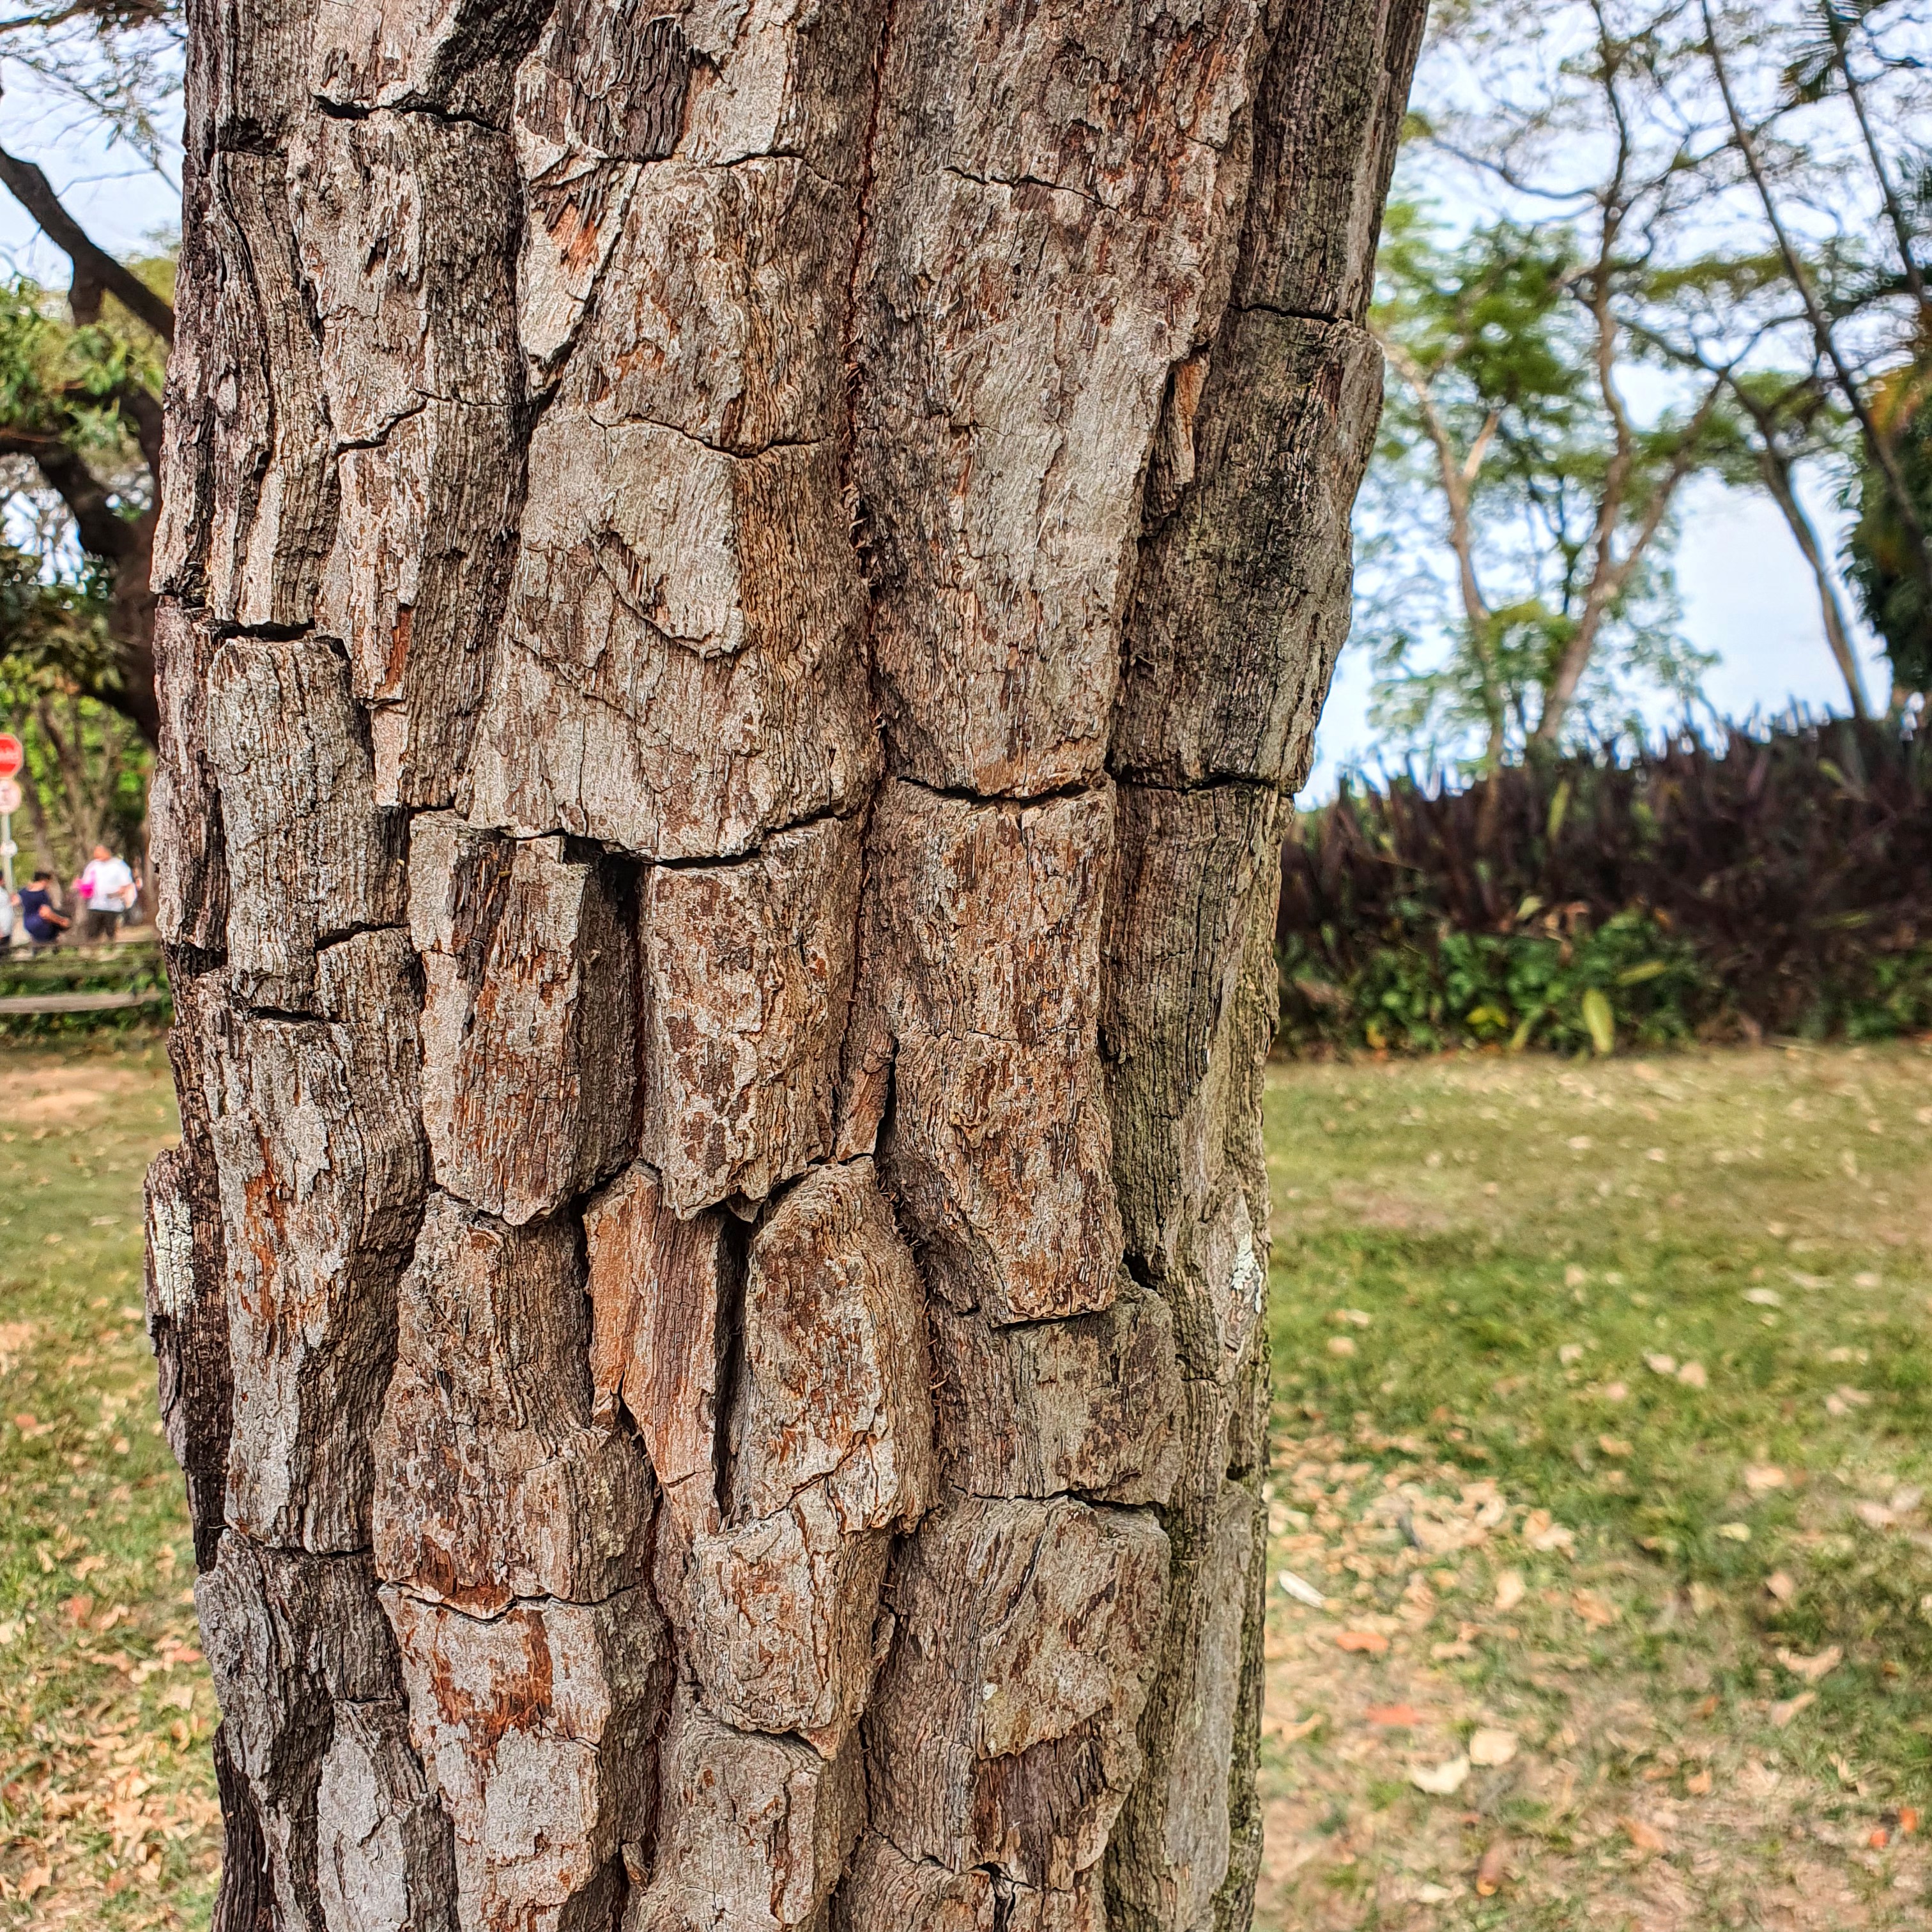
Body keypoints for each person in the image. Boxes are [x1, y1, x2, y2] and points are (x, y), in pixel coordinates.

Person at [77, 844, 135, 943]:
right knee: (93, 933)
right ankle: (93, 951)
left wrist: (116, 893)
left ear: (106, 852)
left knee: (111, 932)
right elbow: (86, 882)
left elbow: (126, 884)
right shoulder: (93, 865)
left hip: (113, 906)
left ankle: (111, 949)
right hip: (95, 905)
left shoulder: (119, 865)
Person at [17, 870, 70, 949]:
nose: (48, 886)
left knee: (37, 946)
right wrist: (61, 922)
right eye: (48, 883)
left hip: (28, 925)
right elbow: (45, 913)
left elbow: (16, 901)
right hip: (41, 925)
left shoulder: (23, 891)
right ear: (44, 881)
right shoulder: (42, 895)